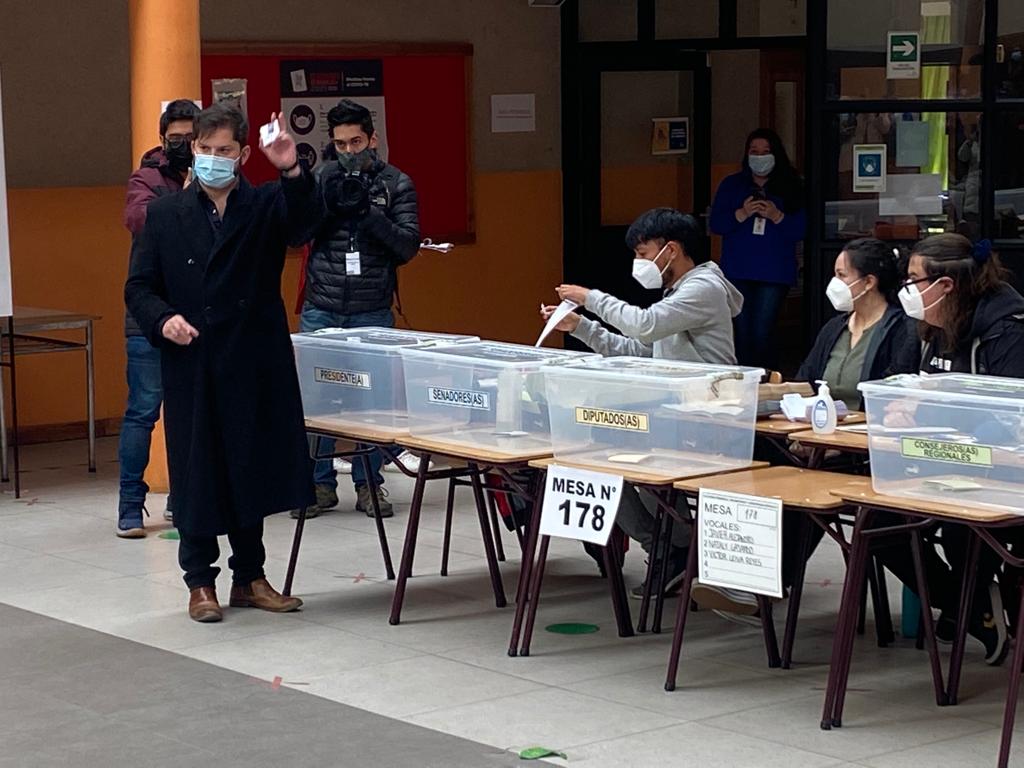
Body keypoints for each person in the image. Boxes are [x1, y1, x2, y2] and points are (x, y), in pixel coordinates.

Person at [125, 104, 317, 623]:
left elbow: (303, 225)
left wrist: (291, 168)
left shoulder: (265, 204)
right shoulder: (165, 214)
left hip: (252, 356)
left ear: (243, 154)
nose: (214, 159)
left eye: (225, 151)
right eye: (205, 150)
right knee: (197, 468)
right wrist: (163, 320)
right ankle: (199, 581)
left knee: (248, 465)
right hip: (193, 360)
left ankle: (250, 577)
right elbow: (138, 287)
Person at [693, 238, 920, 620]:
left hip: (862, 452)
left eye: (841, 275)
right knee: (750, 465)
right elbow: (809, 382)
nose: (834, 282)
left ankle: (764, 583)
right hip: (815, 439)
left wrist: (833, 433)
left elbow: (892, 399)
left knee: (810, 489)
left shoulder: (902, 331)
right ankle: (729, 569)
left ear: (869, 282)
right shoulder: (834, 328)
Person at [542, 208, 743, 598]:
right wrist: (581, 327)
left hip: (705, 414)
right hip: (669, 409)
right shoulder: (676, 293)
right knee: (591, 459)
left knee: (630, 457)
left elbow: (644, 325)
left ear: (671, 250)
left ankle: (677, 544)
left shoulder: (703, 288)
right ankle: (666, 543)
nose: (639, 262)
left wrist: (591, 298)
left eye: (643, 252)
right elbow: (637, 349)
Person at [876, 233, 1024, 665]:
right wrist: (902, 410)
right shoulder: (927, 327)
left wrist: (929, 413)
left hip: (1002, 472)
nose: (905, 290)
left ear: (945, 285)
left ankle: (969, 607)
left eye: (913, 279)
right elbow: (904, 384)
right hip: (936, 460)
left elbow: (1010, 416)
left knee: (962, 529)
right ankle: (972, 610)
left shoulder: (1008, 328)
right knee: (881, 523)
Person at [296, 99, 420, 520]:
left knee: (372, 402)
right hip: (323, 305)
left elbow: (407, 246)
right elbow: (296, 236)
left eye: (356, 142)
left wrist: (368, 214)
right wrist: (327, 206)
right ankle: (318, 485)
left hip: (371, 308)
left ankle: (371, 485)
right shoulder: (321, 177)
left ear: (373, 139)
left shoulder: (396, 184)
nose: (349, 151)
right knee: (315, 400)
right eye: (340, 144)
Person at [117, 98, 199, 539]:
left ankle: (182, 500)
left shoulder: (213, 175)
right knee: (143, 411)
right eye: (176, 138)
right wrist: (184, 201)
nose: (184, 146)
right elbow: (136, 218)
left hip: (194, 315)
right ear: (163, 138)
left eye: (192, 138)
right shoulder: (148, 176)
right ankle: (130, 504)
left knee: (189, 412)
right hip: (149, 315)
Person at [709, 128, 806, 369]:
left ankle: (767, 378)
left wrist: (777, 215)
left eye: (765, 151)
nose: (759, 157)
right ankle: (743, 378)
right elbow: (716, 224)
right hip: (738, 271)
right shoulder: (732, 185)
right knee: (741, 332)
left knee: (763, 330)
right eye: (754, 151)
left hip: (773, 273)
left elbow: (802, 230)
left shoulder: (793, 185)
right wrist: (742, 213)